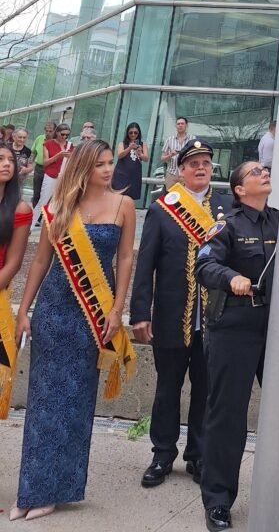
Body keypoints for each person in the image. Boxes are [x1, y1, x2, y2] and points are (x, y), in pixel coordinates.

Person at [12, 140, 136, 520]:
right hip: (53, 310)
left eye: (109, 163)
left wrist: (117, 309)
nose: (107, 169)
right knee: (42, 403)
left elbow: (125, 258)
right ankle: (31, 490)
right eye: (100, 164)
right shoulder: (60, 205)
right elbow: (40, 262)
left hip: (92, 316)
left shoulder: (124, 205)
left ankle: (56, 489)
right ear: (83, 167)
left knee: (75, 403)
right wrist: (24, 310)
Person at [195, 161, 279, 531]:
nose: (264, 172)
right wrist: (231, 277)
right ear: (239, 189)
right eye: (254, 172)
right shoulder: (228, 225)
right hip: (234, 328)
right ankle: (218, 500)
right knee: (227, 416)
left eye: (265, 169)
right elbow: (204, 265)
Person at [130, 140, 229, 489]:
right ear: (182, 169)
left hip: (214, 320)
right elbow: (146, 265)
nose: (201, 168)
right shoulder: (163, 208)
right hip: (172, 316)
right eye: (194, 163)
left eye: (206, 163)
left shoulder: (226, 208)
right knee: (167, 389)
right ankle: (162, 454)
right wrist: (140, 312)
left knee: (205, 391)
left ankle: (198, 455)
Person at [0, 146, 33, 418]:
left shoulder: (20, 209)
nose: (6, 164)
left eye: (11, 160)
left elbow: (14, 263)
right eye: (0, 159)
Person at [34, 124, 74, 226]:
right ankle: (31, 224)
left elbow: (73, 163)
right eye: (62, 134)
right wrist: (58, 156)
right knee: (43, 201)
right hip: (50, 175)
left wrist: (70, 157)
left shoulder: (70, 145)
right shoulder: (48, 144)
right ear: (57, 133)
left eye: (67, 135)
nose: (65, 137)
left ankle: (51, 226)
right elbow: (45, 162)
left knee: (57, 203)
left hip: (63, 177)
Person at [112, 122, 149, 201]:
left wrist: (140, 153)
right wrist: (129, 148)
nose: (133, 134)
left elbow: (146, 159)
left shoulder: (143, 144)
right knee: (119, 195)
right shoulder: (122, 144)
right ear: (127, 133)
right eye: (131, 132)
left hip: (134, 175)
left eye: (135, 133)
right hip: (122, 174)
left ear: (138, 133)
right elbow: (119, 155)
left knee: (131, 197)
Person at [161, 117, 192, 191]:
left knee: (184, 196)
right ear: (176, 126)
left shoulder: (192, 139)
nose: (180, 125)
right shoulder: (169, 140)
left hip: (186, 174)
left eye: (182, 124)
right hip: (171, 174)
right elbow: (162, 158)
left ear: (186, 125)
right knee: (170, 196)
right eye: (178, 124)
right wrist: (170, 155)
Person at [30, 123, 55, 211]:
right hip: (39, 169)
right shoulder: (39, 138)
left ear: (54, 131)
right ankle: (35, 213)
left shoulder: (57, 141)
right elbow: (33, 153)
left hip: (51, 169)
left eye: (50, 131)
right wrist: (30, 164)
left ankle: (43, 214)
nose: (48, 133)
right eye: (46, 131)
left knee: (48, 194)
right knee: (37, 192)